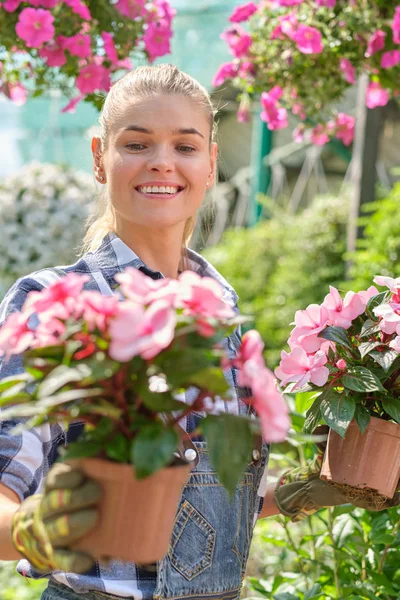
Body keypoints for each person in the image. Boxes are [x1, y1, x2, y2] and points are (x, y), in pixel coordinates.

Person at [0, 64, 398, 600]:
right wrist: (55, 528)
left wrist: (311, 490)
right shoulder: (55, 306)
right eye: (137, 144)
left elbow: (203, 506)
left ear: (211, 164)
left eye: (185, 147)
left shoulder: (221, 315)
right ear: (100, 157)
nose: (162, 161)